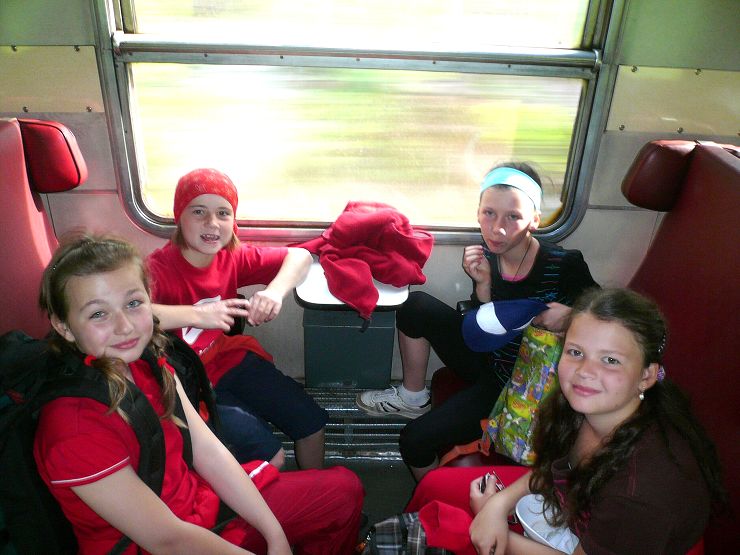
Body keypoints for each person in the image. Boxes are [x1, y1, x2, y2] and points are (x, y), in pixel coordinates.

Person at [34, 233, 364, 555]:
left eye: (134, 303)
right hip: (158, 543)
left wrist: (274, 534)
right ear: (64, 327)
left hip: (199, 507)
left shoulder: (149, 363)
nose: (125, 326)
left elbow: (207, 451)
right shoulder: (74, 428)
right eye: (98, 314)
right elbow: (167, 540)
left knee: (343, 491)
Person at [405, 288, 726, 555]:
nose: (585, 371)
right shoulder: (582, 406)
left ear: (646, 376)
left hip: (625, 539)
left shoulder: (640, 491)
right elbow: (555, 469)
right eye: (575, 352)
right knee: (435, 487)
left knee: (454, 531)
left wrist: (498, 532)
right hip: (578, 507)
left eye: (610, 360)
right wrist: (499, 504)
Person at [356, 162, 598, 480]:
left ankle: (438, 500)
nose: (497, 228)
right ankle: (413, 397)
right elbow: (485, 329)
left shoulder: (564, 265)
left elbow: (609, 320)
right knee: (415, 305)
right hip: (490, 357)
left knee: (414, 440)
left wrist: (572, 317)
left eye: (513, 217)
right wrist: (483, 288)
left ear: (535, 220)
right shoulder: (487, 257)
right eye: (489, 213)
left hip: (520, 382)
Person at [147, 168, 328, 470]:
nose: (212, 223)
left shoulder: (231, 257)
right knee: (273, 457)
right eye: (198, 211)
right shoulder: (158, 269)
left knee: (311, 422)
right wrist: (198, 315)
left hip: (225, 357)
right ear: (179, 216)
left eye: (223, 213)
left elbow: (301, 257)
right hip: (184, 379)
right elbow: (127, 314)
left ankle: (318, 492)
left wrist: (274, 292)